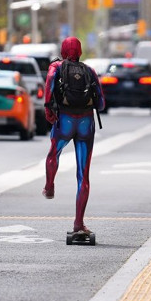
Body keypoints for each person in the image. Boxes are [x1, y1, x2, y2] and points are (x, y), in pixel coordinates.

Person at [42, 37, 106, 236]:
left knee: (54, 152)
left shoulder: (56, 67)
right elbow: (101, 103)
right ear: (80, 51)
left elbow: (49, 87)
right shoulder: (90, 71)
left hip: (65, 121)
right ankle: (78, 223)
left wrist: (48, 109)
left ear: (63, 50)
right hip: (86, 123)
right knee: (83, 175)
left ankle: (50, 185)